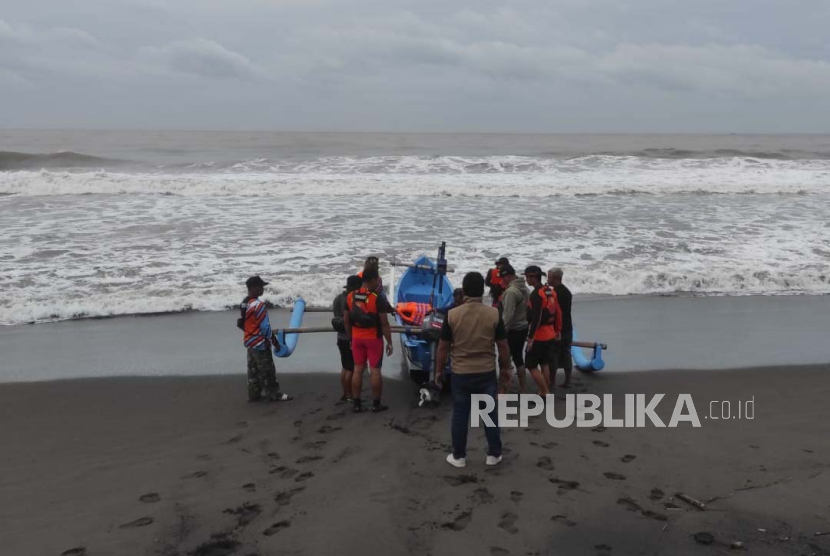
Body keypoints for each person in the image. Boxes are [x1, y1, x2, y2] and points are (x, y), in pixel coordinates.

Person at [435, 272, 512, 468]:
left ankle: (459, 456)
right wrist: (505, 370)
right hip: (486, 372)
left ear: (464, 290)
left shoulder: (452, 315)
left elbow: (443, 347)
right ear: (483, 290)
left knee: (460, 414)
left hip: (461, 373)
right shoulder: (493, 314)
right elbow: (503, 346)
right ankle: (494, 454)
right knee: (489, 414)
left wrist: (438, 371)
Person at [344, 268, 394, 413]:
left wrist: (350, 337)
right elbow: (384, 323)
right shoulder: (377, 297)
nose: (378, 281)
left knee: (358, 370)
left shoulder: (350, 296)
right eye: (377, 279)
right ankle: (376, 404)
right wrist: (389, 341)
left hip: (356, 338)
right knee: (375, 371)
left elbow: (346, 320)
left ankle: (356, 404)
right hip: (373, 339)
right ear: (372, 280)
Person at [240, 276, 292, 402]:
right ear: (254, 288)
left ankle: (253, 394)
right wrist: (275, 342)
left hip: (249, 341)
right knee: (267, 370)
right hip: (260, 342)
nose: (262, 289)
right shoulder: (259, 305)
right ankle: (274, 394)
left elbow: (243, 322)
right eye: (260, 287)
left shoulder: (245, 303)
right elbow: (265, 327)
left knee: (253, 371)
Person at [522, 266, 562, 397]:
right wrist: (557, 330)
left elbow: (536, 317)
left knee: (531, 365)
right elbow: (558, 312)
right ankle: (544, 390)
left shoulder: (536, 294)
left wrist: (530, 338)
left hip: (539, 336)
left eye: (528, 276)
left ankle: (544, 391)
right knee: (544, 363)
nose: (526, 279)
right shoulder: (550, 291)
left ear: (534, 277)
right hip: (550, 333)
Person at [498, 265, 529, 393]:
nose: (502, 280)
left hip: (512, 330)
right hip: (522, 327)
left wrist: (502, 330)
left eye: (503, 277)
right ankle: (522, 387)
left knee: (504, 359)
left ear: (509, 276)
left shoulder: (511, 292)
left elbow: (508, 314)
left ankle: (504, 388)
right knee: (518, 358)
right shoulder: (525, 288)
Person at [333, 275, 362, 403]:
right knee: (351, 368)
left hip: (340, 337)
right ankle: (349, 394)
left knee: (345, 367)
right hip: (350, 337)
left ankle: (344, 392)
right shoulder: (351, 299)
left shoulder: (337, 298)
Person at [548, 267, 574, 388]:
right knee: (566, 353)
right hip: (568, 327)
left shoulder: (555, 293)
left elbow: (552, 311)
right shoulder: (567, 291)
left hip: (558, 328)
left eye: (549, 277)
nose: (548, 279)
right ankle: (567, 380)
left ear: (555, 278)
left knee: (553, 355)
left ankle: (552, 381)